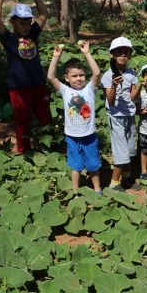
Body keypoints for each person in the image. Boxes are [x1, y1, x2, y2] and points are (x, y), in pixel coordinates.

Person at [0, 0, 52, 154]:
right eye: (21, 23)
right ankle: (25, 152)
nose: (25, 27)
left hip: (38, 84)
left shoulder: (33, 33)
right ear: (13, 22)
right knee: (23, 123)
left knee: (46, 119)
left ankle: (51, 148)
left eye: (28, 23)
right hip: (19, 89)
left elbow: (43, 14)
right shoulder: (8, 38)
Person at [47, 40, 102, 193]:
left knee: (93, 165)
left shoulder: (89, 90)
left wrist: (87, 53)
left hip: (89, 135)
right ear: (66, 78)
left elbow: (97, 73)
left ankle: (97, 190)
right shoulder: (65, 91)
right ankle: (76, 193)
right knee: (76, 166)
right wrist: (56, 57)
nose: (78, 78)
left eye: (81, 75)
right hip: (72, 136)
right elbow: (51, 77)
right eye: (74, 76)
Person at [101, 37, 141, 192]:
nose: (123, 55)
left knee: (129, 149)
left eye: (126, 52)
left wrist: (141, 84)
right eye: (119, 52)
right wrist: (114, 85)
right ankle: (113, 183)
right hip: (116, 117)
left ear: (130, 55)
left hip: (129, 115)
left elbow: (132, 97)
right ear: (112, 55)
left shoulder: (131, 74)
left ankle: (127, 177)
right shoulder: (108, 75)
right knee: (121, 151)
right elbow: (110, 101)